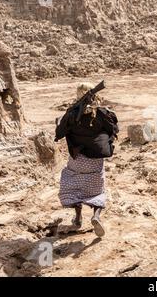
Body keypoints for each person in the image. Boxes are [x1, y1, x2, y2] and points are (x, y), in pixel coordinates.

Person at [55, 83, 119, 237]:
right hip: (95, 161)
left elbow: (60, 132)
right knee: (97, 189)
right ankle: (96, 216)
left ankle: (77, 219)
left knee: (74, 185)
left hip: (77, 159)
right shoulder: (102, 113)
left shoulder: (72, 114)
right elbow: (114, 129)